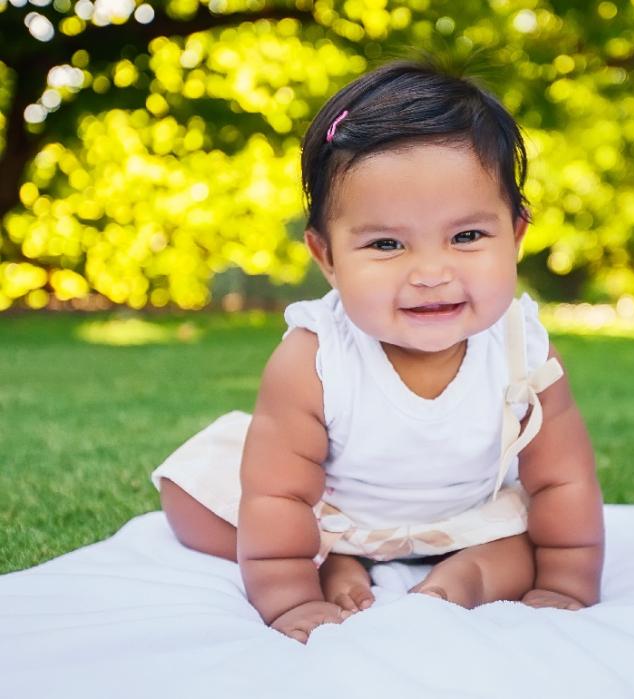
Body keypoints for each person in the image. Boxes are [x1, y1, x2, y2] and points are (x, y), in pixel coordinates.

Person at [152, 60, 605, 645]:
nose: (431, 273)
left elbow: (562, 481)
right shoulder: (314, 359)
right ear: (327, 257)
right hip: (330, 515)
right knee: (192, 497)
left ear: (515, 236)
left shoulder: (525, 349)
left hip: (467, 520)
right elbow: (279, 493)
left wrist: (567, 583)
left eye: (467, 236)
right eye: (387, 243)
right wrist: (291, 595)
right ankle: (334, 562)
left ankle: (462, 582)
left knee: (524, 545)